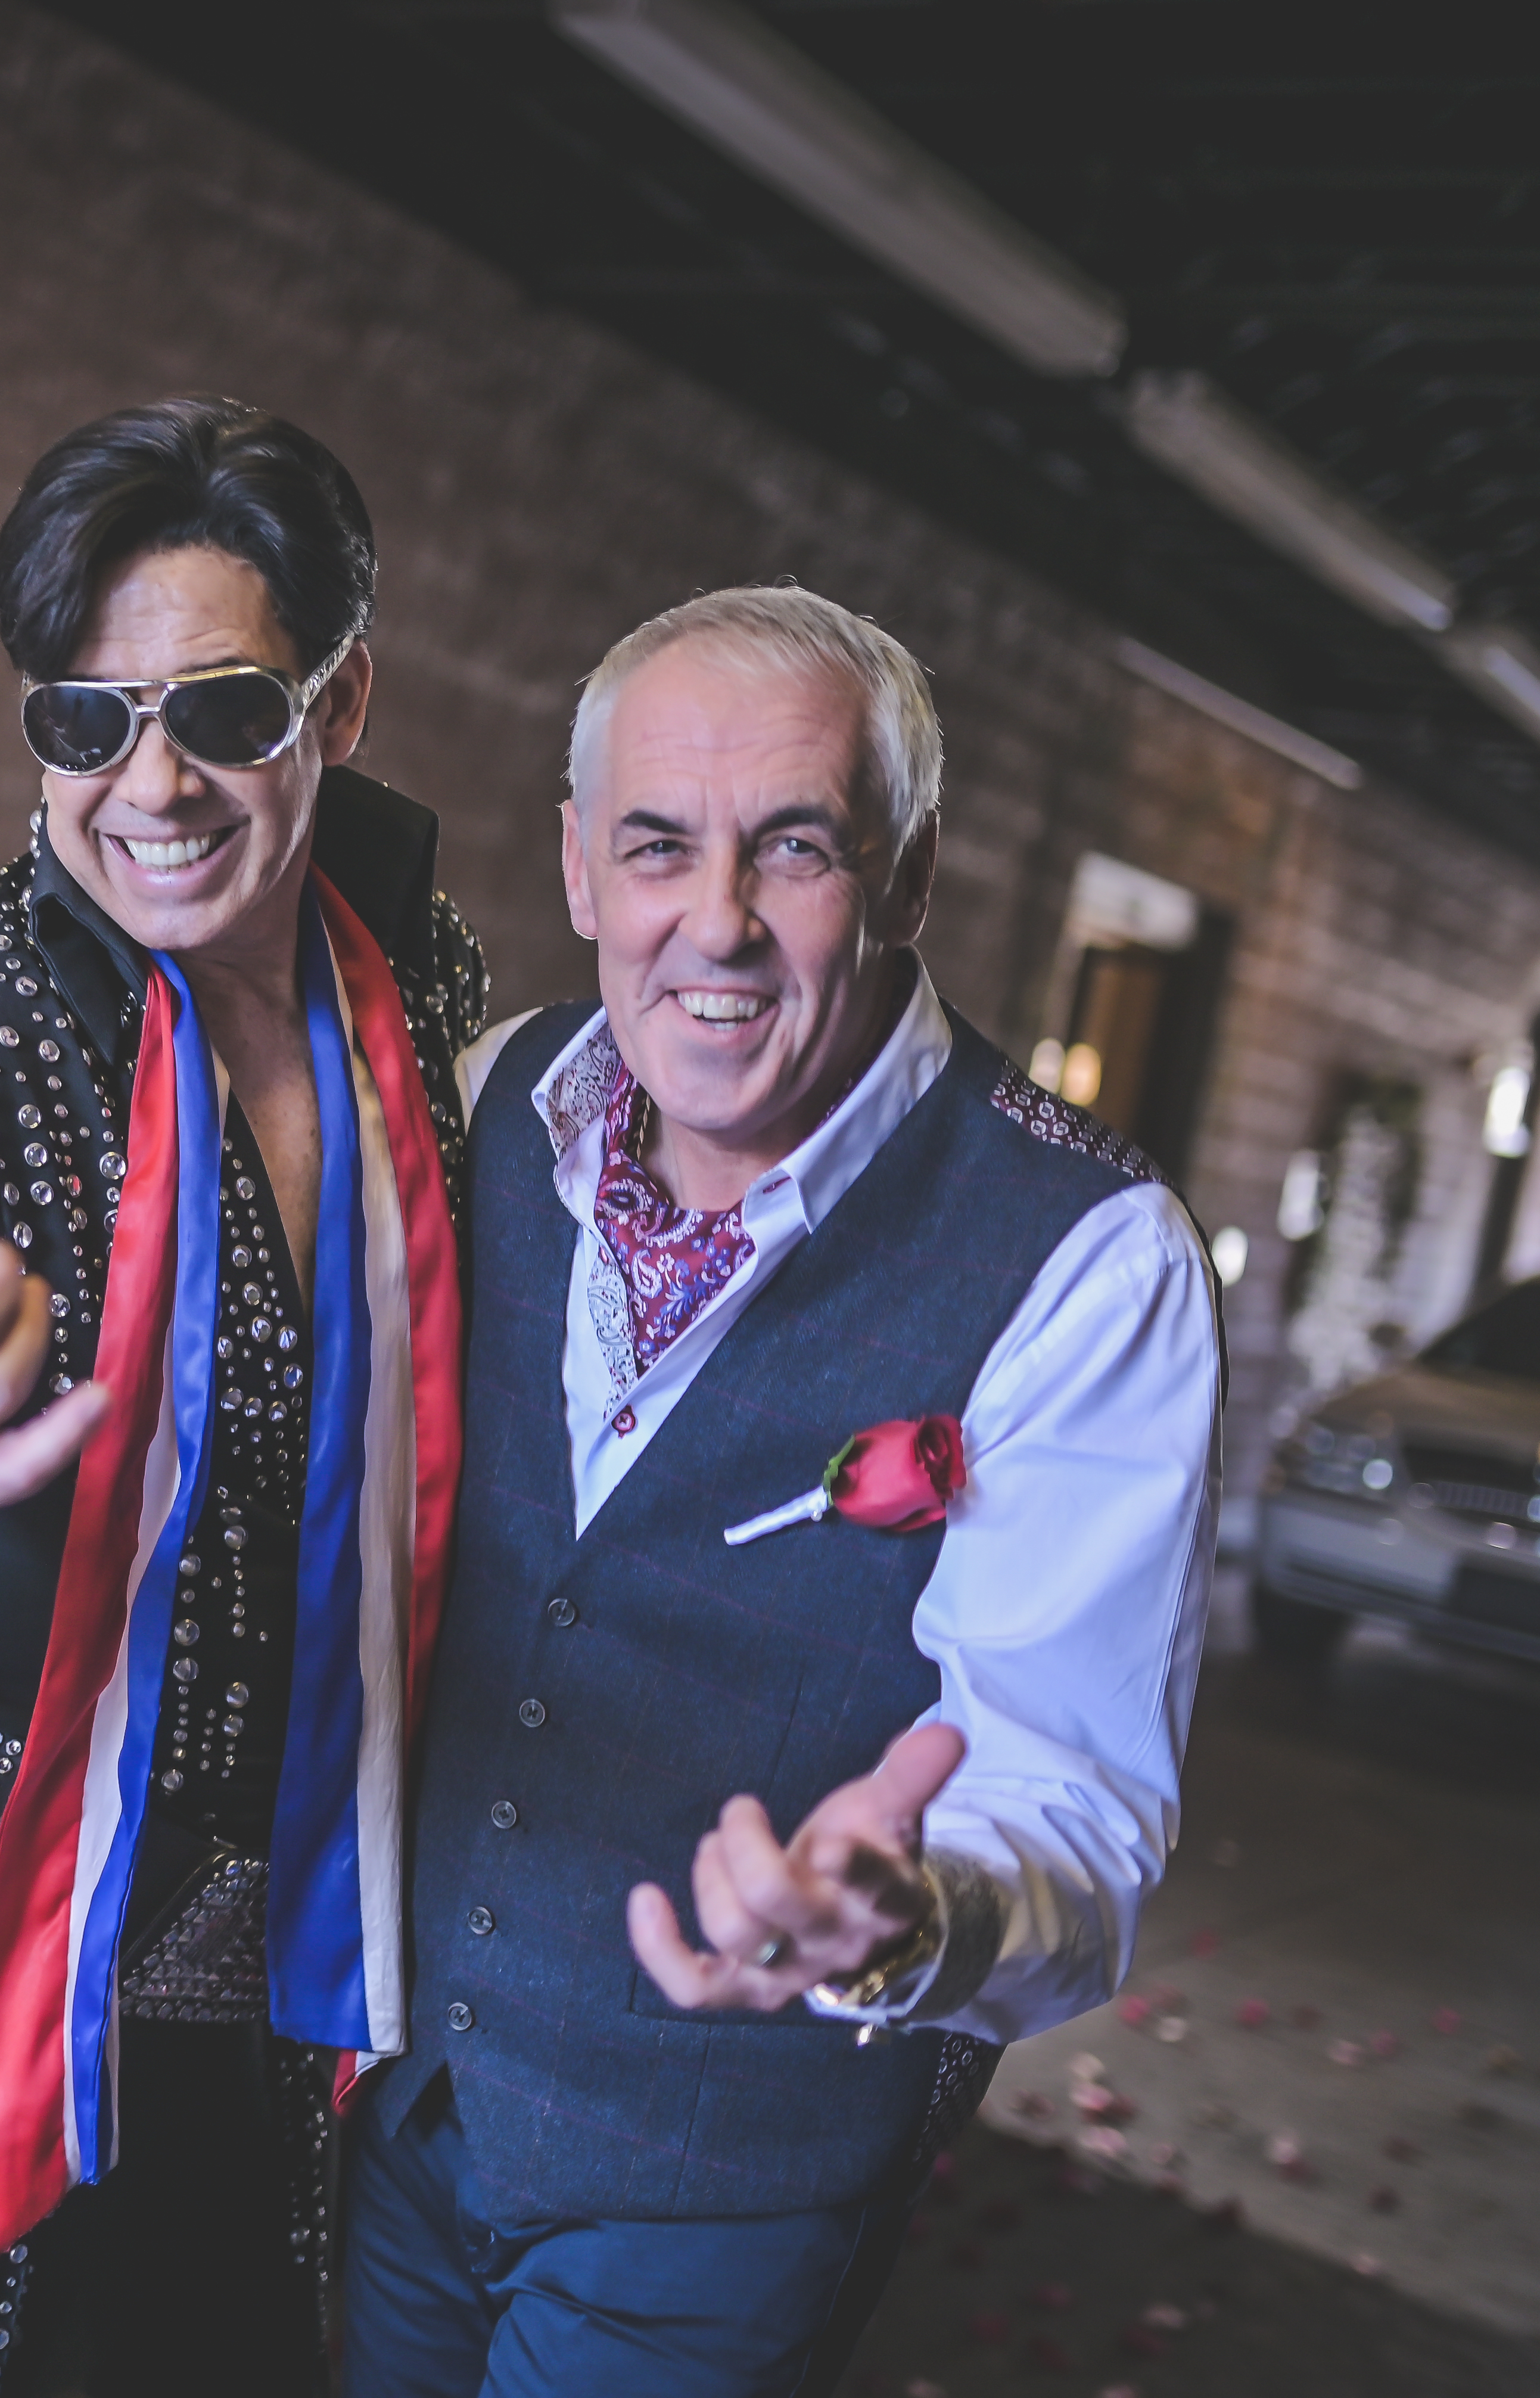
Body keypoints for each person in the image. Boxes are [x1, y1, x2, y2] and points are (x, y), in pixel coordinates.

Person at [338, 585, 1222, 2396]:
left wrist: (914, 1916)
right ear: (581, 867)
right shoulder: (503, 1098)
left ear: (905, 882)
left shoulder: (1089, 1255)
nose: (715, 923)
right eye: (660, 845)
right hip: (399, 2106)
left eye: (795, 847)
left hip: (716, 2193)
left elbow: (1076, 1800)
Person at [0, 398, 489, 2398]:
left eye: (223, 710)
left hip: (305, 1966)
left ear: (344, 698)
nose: (153, 783)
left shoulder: (428, 985)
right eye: (87, 722)